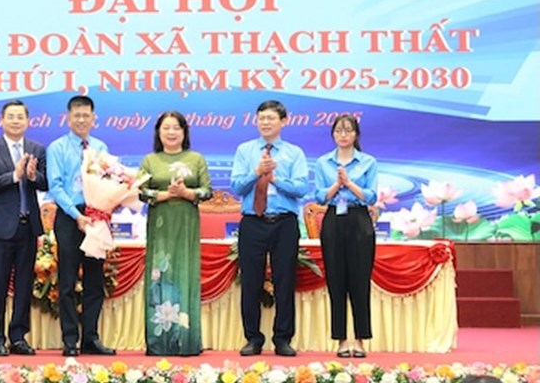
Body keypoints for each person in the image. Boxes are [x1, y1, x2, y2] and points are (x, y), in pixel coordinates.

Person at [230, 100, 308, 357]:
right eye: (261, 118)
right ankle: (253, 338)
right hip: (253, 222)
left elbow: (301, 188)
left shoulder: (294, 153)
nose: (265, 122)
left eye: (271, 118)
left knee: (285, 280)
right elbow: (237, 187)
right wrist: (256, 172)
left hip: (284, 223)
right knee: (251, 281)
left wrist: (276, 178)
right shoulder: (245, 150)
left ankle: (283, 338)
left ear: (283, 121)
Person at [0, 100, 47, 357]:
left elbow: (45, 182)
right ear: (2, 120)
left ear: (28, 121)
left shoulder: (37, 149)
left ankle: (18, 337)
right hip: (0, 229)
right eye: (11, 117)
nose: (16, 121)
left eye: (20, 117)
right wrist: (14, 176)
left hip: (28, 228)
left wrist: (31, 176)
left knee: (24, 286)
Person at [47, 95, 116, 356]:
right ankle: (69, 340)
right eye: (77, 115)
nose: (81, 119)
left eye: (86, 115)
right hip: (69, 218)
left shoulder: (100, 146)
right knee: (67, 281)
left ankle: (91, 338)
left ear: (93, 118)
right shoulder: (57, 148)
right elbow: (56, 186)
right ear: (68, 118)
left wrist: (107, 204)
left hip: (96, 216)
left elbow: (109, 180)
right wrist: (76, 214)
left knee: (94, 280)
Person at [139, 111, 211, 356]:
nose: (171, 132)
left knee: (185, 272)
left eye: (176, 128)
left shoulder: (196, 158)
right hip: (160, 224)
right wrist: (167, 195)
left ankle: (186, 341)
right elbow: (140, 192)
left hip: (187, 223)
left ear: (184, 132)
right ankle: (159, 343)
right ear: (158, 132)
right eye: (166, 128)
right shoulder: (150, 160)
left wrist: (187, 193)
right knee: (161, 274)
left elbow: (207, 191)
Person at [313, 113, 378, 358]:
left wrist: (349, 183)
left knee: (360, 281)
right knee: (336, 281)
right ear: (333, 134)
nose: (343, 135)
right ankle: (340, 339)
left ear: (356, 134)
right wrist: (336, 185)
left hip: (359, 220)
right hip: (333, 220)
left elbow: (371, 196)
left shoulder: (368, 162)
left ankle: (360, 339)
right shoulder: (323, 162)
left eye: (348, 131)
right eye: (339, 131)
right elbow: (320, 197)